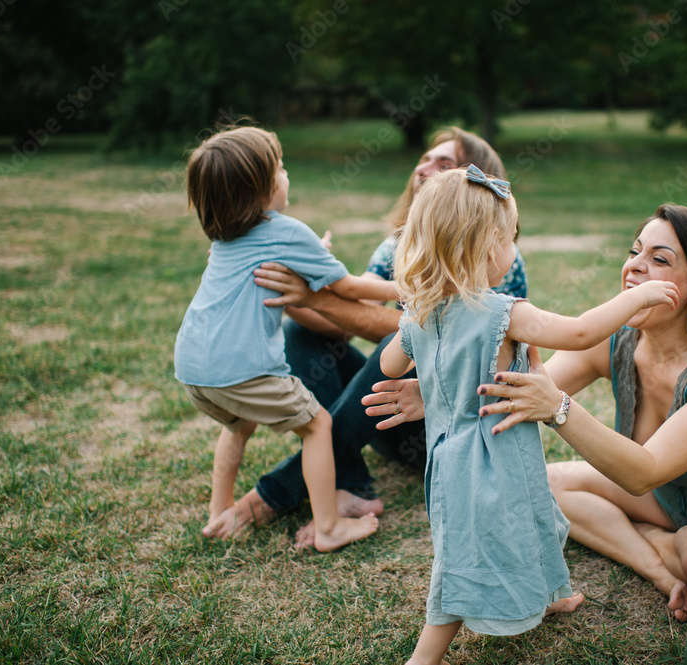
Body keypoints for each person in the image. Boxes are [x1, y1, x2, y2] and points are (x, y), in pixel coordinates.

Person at [369, 203, 687, 622]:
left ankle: (657, 541)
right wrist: (439, 392)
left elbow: (643, 472)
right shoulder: (619, 341)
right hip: (672, 500)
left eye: (660, 259)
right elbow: (518, 388)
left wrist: (558, 409)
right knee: (546, 485)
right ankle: (657, 564)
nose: (635, 265)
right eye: (635, 252)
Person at [381, 166, 680, 664]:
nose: (514, 249)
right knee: (463, 559)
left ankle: (549, 595)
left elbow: (391, 365)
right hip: (490, 459)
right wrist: (636, 298)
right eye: (511, 238)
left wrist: (418, 326)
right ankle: (424, 658)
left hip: (455, 459)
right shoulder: (504, 312)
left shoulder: (421, 314)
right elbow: (580, 332)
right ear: (488, 247)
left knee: (539, 521)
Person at [207, 128, 528, 542]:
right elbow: (346, 320)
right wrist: (287, 292)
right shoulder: (396, 247)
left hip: (449, 423)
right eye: (425, 158)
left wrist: (315, 297)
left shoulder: (498, 255)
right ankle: (350, 485)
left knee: (398, 342)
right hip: (391, 414)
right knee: (302, 334)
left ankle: (275, 493)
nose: (424, 168)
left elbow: (435, 332)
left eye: (444, 163)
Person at [176, 126, 395, 550]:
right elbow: (349, 287)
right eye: (280, 168)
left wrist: (314, 251)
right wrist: (408, 288)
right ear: (261, 190)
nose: (286, 174)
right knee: (317, 424)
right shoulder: (288, 231)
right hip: (243, 369)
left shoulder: (224, 238)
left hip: (192, 367)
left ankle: (218, 511)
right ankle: (329, 526)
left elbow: (286, 259)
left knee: (238, 426)